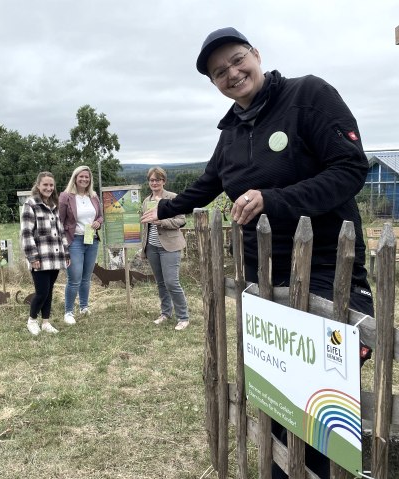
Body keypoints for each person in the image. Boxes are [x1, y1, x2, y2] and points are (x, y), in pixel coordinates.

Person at [141, 27, 373, 478]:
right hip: (262, 275)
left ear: (257, 55)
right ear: (213, 84)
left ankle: (329, 469)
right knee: (281, 386)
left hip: (325, 266)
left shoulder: (309, 96)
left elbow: (350, 168)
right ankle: (286, 467)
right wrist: (163, 208)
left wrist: (274, 199)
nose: (232, 73)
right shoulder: (231, 131)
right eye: (218, 72)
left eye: (236, 60)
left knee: (320, 392)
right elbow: (209, 185)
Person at [21, 171, 70, 336]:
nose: (48, 188)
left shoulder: (54, 205)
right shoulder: (31, 204)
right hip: (40, 257)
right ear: (38, 185)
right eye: (45, 185)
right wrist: (32, 256)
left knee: (49, 291)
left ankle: (46, 322)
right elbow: (26, 233)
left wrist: (66, 253)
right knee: (41, 292)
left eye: (51, 185)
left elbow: (61, 232)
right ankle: (32, 320)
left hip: (54, 257)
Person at [141, 167, 190, 330]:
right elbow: (145, 225)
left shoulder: (173, 198)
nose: (154, 183)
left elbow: (181, 221)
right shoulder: (146, 201)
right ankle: (165, 313)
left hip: (170, 246)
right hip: (152, 247)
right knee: (161, 283)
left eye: (158, 180)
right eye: (152, 180)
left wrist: (161, 222)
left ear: (164, 181)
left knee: (172, 282)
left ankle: (183, 317)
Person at [59, 165, 103, 324]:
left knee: (86, 278)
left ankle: (84, 306)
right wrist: (64, 245)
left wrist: (98, 222)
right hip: (74, 241)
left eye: (87, 177)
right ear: (75, 178)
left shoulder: (94, 196)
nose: (84, 179)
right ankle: (68, 312)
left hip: (91, 240)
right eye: (81, 176)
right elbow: (60, 221)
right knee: (75, 278)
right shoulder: (65, 196)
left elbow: (100, 217)